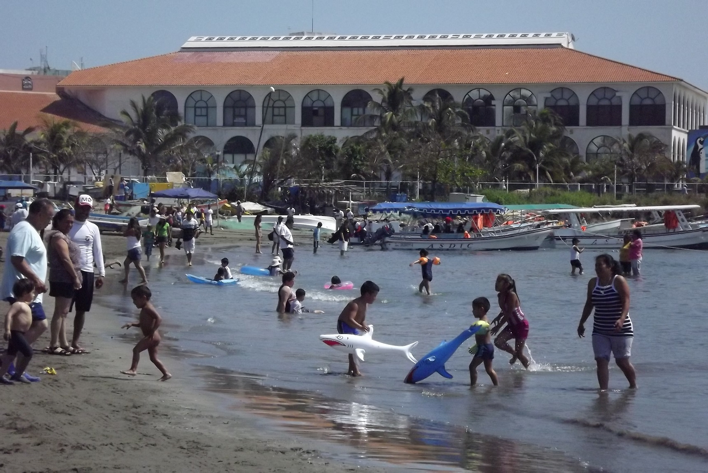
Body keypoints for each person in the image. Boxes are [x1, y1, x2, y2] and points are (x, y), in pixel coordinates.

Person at [1, 198, 54, 381]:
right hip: (22, 291)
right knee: (39, 325)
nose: (50, 221)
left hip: (29, 292)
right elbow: (17, 259)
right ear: (39, 214)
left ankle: (11, 366)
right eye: (49, 216)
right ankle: (9, 363)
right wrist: (36, 279)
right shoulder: (24, 230)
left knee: (24, 330)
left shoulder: (31, 230)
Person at [577, 254, 636, 390]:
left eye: (600, 265)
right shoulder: (593, 283)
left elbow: (626, 302)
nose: (597, 268)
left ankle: (633, 386)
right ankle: (603, 391)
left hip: (621, 329)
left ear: (610, 267)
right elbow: (589, 304)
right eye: (596, 265)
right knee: (601, 360)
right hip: (600, 329)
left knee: (621, 361)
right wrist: (581, 323)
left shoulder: (618, 281)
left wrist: (621, 319)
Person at [68, 195, 106, 354]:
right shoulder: (67, 225)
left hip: (88, 272)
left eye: (87, 209)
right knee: (63, 310)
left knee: (81, 310)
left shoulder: (93, 228)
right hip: (69, 271)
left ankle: (75, 341)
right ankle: (59, 341)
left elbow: (98, 251)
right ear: (76, 207)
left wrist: (101, 273)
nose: (84, 211)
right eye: (82, 207)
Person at [45, 209, 82, 355]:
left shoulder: (64, 236)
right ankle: (54, 344)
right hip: (62, 278)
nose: (70, 224)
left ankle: (64, 343)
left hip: (65, 278)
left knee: (64, 312)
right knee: (60, 312)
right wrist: (75, 277)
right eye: (67, 221)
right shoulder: (58, 237)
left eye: (72, 222)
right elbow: (65, 259)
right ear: (58, 221)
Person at [120, 285, 171, 381]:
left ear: (143, 297)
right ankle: (166, 374)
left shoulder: (148, 308)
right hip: (153, 336)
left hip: (152, 336)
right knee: (153, 358)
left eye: (135, 299)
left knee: (136, 350)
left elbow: (159, 318)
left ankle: (133, 369)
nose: (133, 302)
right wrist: (132, 324)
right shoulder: (145, 309)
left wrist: (152, 331)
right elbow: (142, 324)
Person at [336, 281, 380, 376]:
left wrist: (365, 325)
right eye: (374, 295)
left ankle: (351, 370)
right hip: (344, 324)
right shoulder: (355, 304)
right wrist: (360, 327)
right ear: (367, 294)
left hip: (353, 326)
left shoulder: (365, 305)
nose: (375, 298)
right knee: (352, 347)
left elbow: (362, 319)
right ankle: (355, 371)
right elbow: (350, 319)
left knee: (356, 347)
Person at [0, 279, 37, 384]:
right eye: (32, 292)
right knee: (28, 353)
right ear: (25, 293)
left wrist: (38, 291)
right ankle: (18, 374)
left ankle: (1, 375)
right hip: (15, 333)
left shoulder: (25, 303)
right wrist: (7, 329)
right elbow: (9, 315)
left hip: (20, 333)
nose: (33, 295)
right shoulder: (18, 305)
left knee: (10, 356)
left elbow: (31, 300)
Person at [490, 274, 530, 369]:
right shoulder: (500, 296)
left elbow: (509, 312)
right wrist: (498, 316)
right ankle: (514, 353)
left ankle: (530, 370)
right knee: (498, 342)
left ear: (507, 284)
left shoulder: (511, 295)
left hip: (521, 326)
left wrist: (498, 326)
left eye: (499, 282)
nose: (496, 284)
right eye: (496, 281)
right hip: (511, 326)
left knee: (520, 354)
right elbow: (504, 309)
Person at [468, 297, 498, 386]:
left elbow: (485, 329)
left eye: (474, 309)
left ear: (481, 309)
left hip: (484, 347)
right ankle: (496, 386)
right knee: (489, 370)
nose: (472, 311)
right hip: (488, 347)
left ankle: (472, 386)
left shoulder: (482, 322)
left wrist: (472, 328)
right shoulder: (485, 320)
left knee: (472, 366)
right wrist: (476, 346)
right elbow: (483, 335)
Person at [119, 217, 148, 285]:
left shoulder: (132, 230)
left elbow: (124, 234)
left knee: (138, 265)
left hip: (134, 249)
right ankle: (126, 279)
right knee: (126, 263)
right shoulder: (138, 230)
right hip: (134, 249)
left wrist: (126, 229)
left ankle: (145, 280)